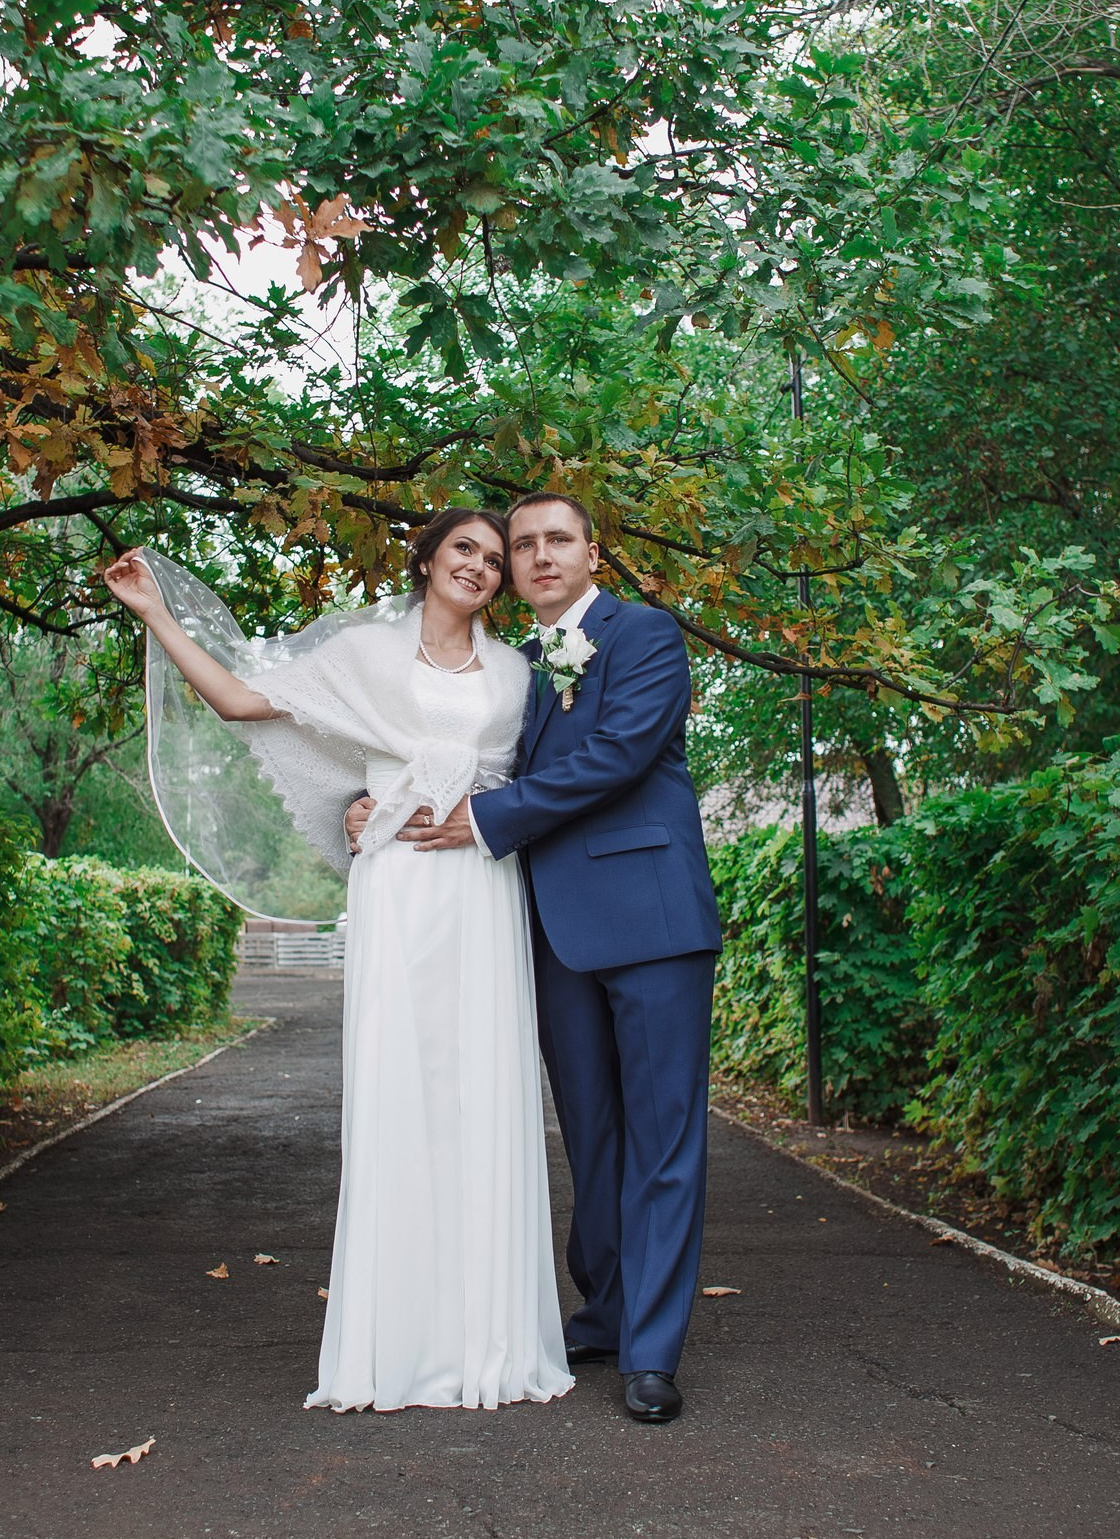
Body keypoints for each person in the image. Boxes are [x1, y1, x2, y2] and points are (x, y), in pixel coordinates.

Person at [101, 512, 572, 1414]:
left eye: (490, 556)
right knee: (400, 1096)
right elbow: (243, 701)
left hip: (480, 892)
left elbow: (532, 780)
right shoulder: (361, 656)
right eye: (461, 548)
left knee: (483, 1097)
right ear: (428, 558)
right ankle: (390, 1349)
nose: (478, 565)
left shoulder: (518, 675)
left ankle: (493, 1344)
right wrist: (157, 616)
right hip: (397, 890)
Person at [354, 491, 722, 1425]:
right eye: (524, 545)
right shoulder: (511, 672)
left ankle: (651, 1349)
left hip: (652, 921)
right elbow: (448, 755)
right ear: (510, 569)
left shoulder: (644, 633)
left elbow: (620, 751)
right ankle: (603, 1308)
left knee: (662, 1139)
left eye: (558, 539)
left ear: (594, 553)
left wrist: (483, 818)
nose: (540, 555)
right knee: (591, 1137)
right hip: (552, 930)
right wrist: (368, 809)